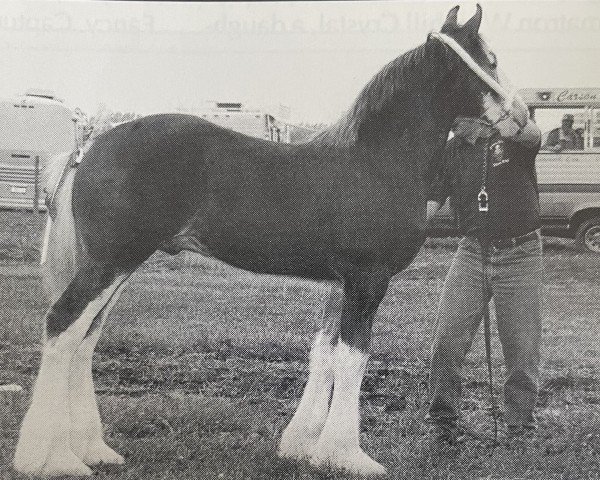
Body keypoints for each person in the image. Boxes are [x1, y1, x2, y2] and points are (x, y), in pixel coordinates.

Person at [426, 113, 543, 449]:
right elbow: (433, 199)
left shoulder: (510, 138)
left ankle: (520, 428)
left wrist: (519, 127)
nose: (452, 124)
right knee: (447, 340)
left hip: (520, 252)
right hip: (472, 253)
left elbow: (533, 137)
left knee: (522, 347)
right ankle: (442, 423)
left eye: (456, 117)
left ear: (473, 115)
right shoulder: (450, 150)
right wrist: (407, 227)